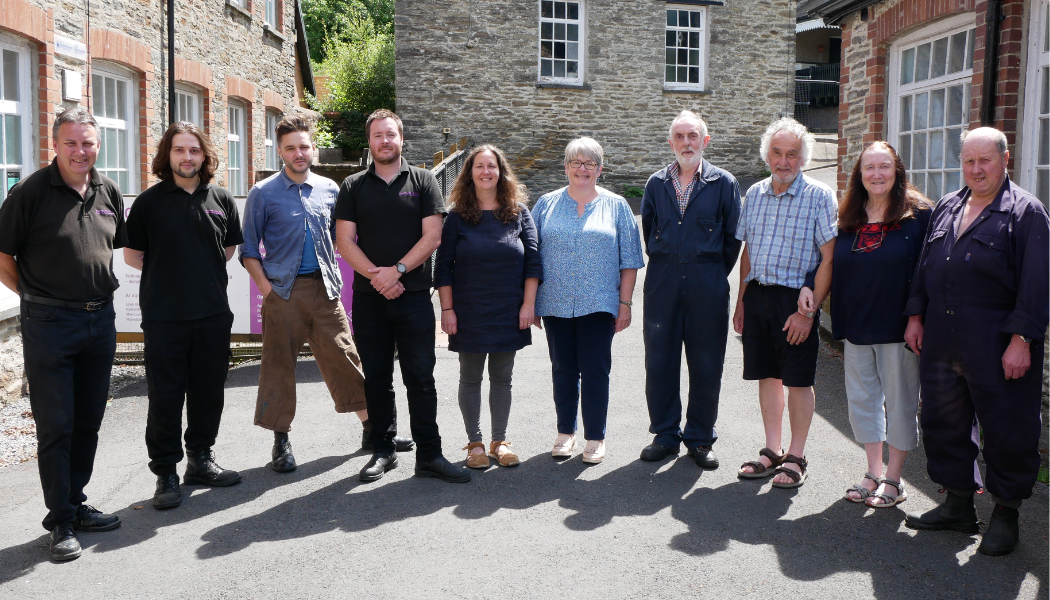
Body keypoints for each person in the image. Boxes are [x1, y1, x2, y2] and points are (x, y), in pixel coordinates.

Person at [902, 127, 1048, 556]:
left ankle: (1006, 514)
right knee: (943, 422)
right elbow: (925, 268)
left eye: (985, 160)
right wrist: (915, 315)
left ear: (1006, 160)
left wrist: (1022, 339)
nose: (976, 169)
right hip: (943, 338)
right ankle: (958, 506)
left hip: (996, 341)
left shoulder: (1026, 212)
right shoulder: (948, 205)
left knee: (1007, 427)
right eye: (969, 160)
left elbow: (1037, 285)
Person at [241, 114, 406, 474]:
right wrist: (267, 290)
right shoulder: (263, 193)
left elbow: (344, 239)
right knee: (279, 366)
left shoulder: (330, 190)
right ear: (280, 152)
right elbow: (248, 250)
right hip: (283, 293)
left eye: (304, 146)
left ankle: (373, 429)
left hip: (325, 290)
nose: (298, 153)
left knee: (346, 359)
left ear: (313, 148)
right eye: (290, 148)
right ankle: (281, 441)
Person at [0, 108, 125, 561]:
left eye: (88, 142)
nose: (80, 151)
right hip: (50, 324)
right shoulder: (30, 193)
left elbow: (107, 250)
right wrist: (34, 297)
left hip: (99, 321)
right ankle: (60, 522)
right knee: (57, 425)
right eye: (71, 142)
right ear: (55, 144)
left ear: (97, 145)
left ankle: (75, 501)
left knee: (89, 419)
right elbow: (3, 255)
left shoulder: (108, 190)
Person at [335, 109, 470, 483]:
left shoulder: (424, 181)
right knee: (376, 378)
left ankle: (430, 454)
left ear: (401, 139)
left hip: (411, 298)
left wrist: (396, 272)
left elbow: (433, 237)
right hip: (368, 298)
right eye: (378, 136)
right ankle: (382, 449)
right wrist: (378, 278)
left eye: (391, 134)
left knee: (420, 378)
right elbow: (344, 242)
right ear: (370, 142)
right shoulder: (353, 186)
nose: (385, 141)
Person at [798, 142, 932, 507]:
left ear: (897, 171)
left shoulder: (918, 215)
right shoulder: (849, 216)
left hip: (898, 330)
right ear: (860, 174)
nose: (876, 174)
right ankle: (873, 471)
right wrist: (810, 286)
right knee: (863, 403)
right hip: (856, 325)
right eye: (869, 168)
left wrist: (917, 318)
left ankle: (895, 480)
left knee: (901, 403)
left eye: (884, 167)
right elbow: (829, 259)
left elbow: (927, 273)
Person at [124, 122, 244, 510]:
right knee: (165, 397)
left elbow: (227, 251)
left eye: (194, 150)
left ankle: (200, 460)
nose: (187, 157)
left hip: (212, 314)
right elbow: (133, 256)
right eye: (179, 150)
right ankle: (166, 473)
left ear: (204, 156)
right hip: (164, 317)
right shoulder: (149, 202)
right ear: (167, 156)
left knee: (208, 393)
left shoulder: (221, 199)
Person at [732, 117, 836, 489]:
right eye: (777, 152)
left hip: (796, 301)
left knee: (797, 379)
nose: (784, 161)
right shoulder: (755, 193)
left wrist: (809, 313)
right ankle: (772, 450)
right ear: (767, 156)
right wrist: (741, 301)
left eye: (792, 154)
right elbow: (748, 250)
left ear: (803, 158)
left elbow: (829, 258)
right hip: (759, 295)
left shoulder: (820, 196)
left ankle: (796, 455)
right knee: (767, 374)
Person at [532, 137, 645, 464]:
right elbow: (530, 256)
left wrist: (625, 304)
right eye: (575, 162)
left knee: (596, 370)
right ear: (566, 166)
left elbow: (630, 260)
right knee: (563, 369)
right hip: (554, 302)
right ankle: (565, 433)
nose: (582, 168)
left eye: (589, 163)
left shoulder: (617, 205)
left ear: (600, 168)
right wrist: (530, 301)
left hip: (599, 304)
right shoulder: (546, 204)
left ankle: (595, 438)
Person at [638, 110, 741, 469]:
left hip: (707, 283)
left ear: (705, 141)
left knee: (706, 363)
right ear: (671, 143)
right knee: (660, 362)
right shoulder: (655, 184)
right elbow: (650, 232)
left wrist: (711, 273)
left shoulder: (723, 183)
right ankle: (665, 435)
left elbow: (732, 240)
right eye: (679, 136)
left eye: (693, 136)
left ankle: (699, 438)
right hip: (663, 281)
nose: (686, 143)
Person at [434, 145, 542, 469]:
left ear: (500, 172)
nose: (485, 172)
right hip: (469, 310)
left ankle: (499, 441)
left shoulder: (520, 213)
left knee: (503, 377)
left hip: (510, 309)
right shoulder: (456, 217)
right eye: (479, 166)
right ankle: (475, 444)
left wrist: (528, 305)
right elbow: (443, 268)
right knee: (470, 377)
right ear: (470, 174)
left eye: (491, 166)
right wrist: (447, 310)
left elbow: (534, 263)